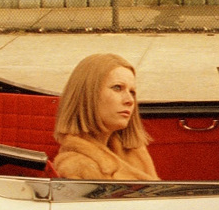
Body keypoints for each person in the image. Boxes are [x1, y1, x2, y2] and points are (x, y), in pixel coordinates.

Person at [51, 53, 158, 181]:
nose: (130, 100)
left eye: (132, 92)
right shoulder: (77, 167)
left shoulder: (133, 150)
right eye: (117, 88)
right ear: (88, 95)